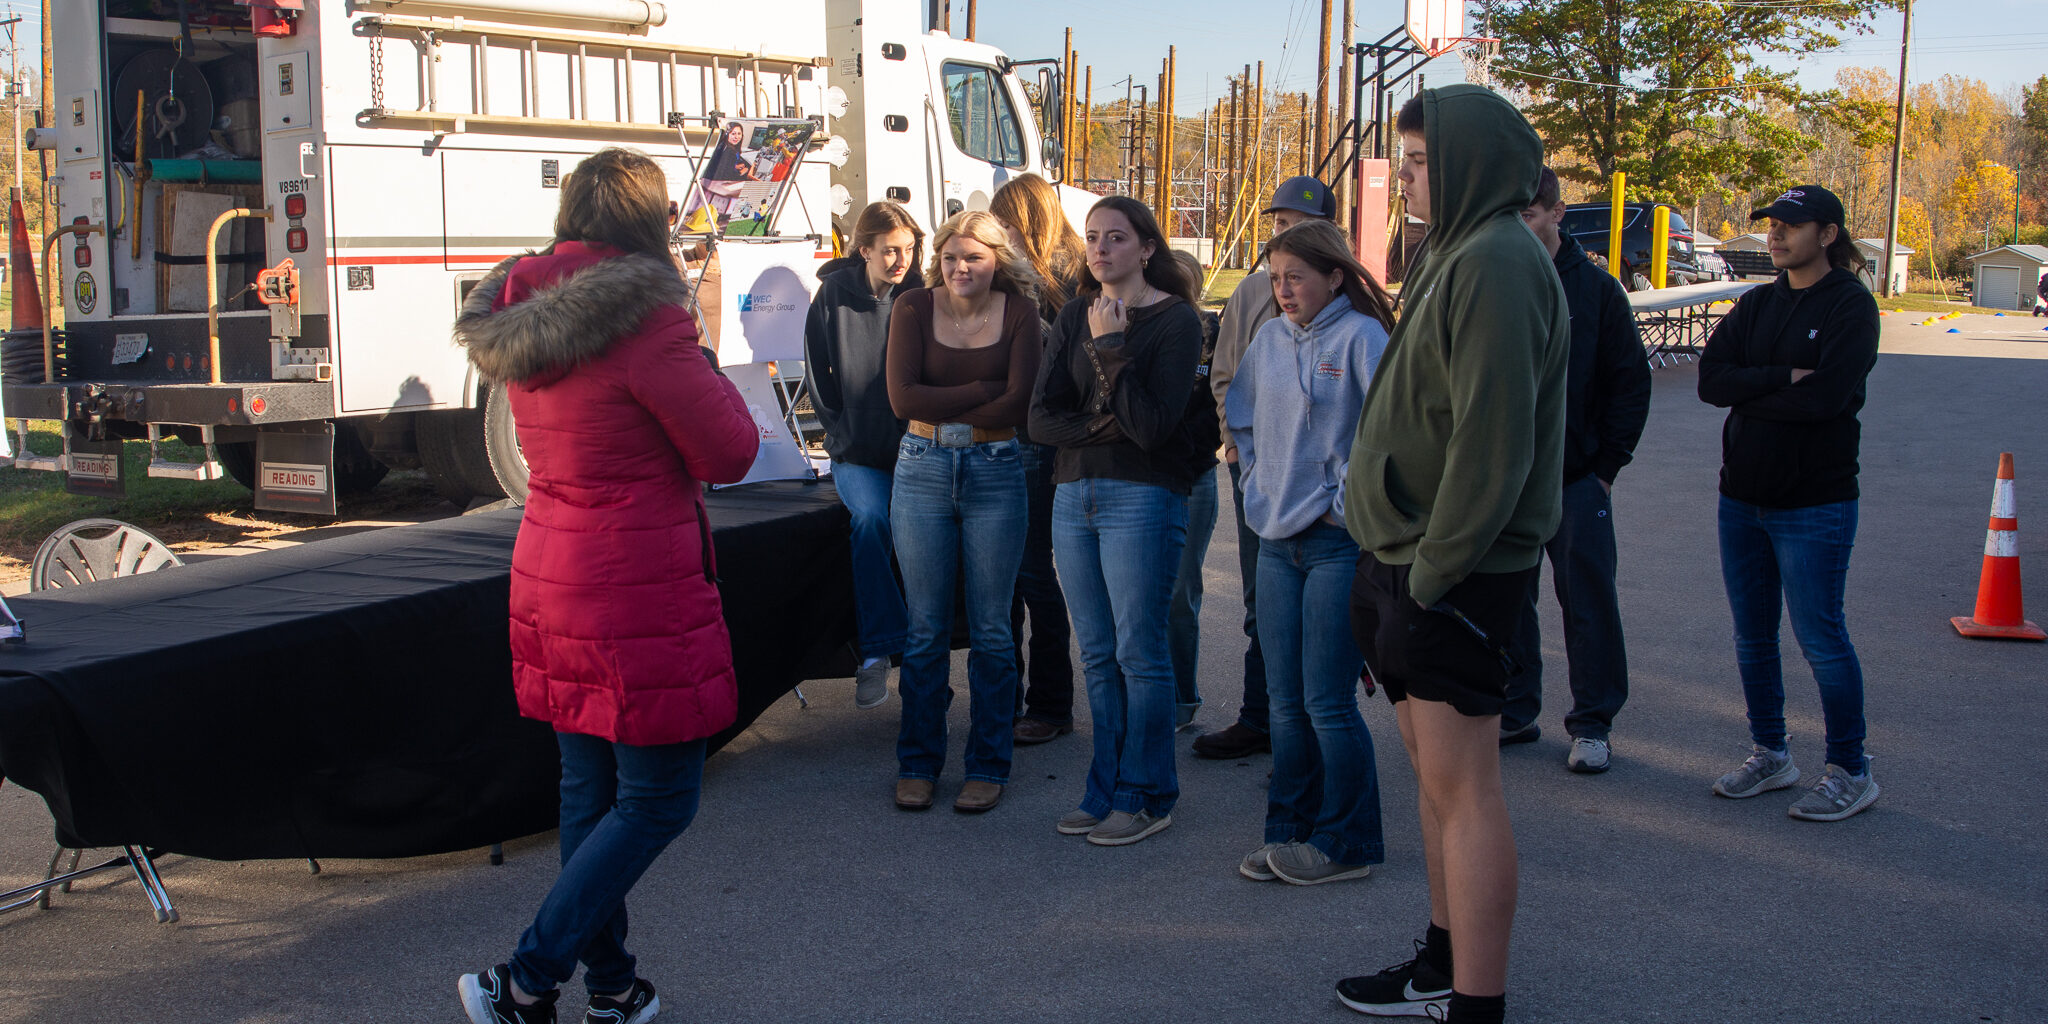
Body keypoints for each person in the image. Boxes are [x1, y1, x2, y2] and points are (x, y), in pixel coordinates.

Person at [452, 148, 761, 1024]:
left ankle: (615, 986)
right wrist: (697, 341)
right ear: (649, 223)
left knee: (590, 795)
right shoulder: (648, 319)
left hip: (553, 568)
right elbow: (731, 452)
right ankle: (524, 979)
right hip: (633, 582)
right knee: (660, 798)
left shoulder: (522, 305)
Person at [1335, 87, 1567, 1024]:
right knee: (1435, 784)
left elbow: (1493, 448)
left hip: (1454, 571)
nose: (1408, 176)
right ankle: (1441, 962)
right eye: (1408, 159)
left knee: (1466, 791)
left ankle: (1477, 1003)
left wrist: (1431, 577)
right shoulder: (1454, 249)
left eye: (1425, 160)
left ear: (1472, 160)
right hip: (1403, 559)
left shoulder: (1500, 260)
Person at [1699, 184, 1881, 822]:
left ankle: (1851, 769)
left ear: (1828, 235)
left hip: (1814, 503)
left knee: (1821, 638)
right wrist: (1779, 379)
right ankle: (1771, 754)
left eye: (1791, 226)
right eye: (1772, 224)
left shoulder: (1849, 307)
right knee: (1753, 637)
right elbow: (1709, 381)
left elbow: (1825, 400)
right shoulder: (1755, 305)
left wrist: (1747, 391)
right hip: (1741, 498)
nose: (1775, 235)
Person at [1029, 195, 1206, 846]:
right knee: (1098, 655)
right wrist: (1105, 423)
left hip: (1143, 495)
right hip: (1074, 495)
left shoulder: (1176, 321)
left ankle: (1147, 793)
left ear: (1147, 248)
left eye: (1117, 238)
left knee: (1140, 652)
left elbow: (1155, 429)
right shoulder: (1074, 312)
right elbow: (1039, 420)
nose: (1101, 249)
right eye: (1094, 238)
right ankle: (1104, 790)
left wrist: (1110, 350)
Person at [1225, 219, 1395, 886]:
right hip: (1274, 543)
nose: (1284, 289)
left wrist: (1343, 500)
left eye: (1296, 276)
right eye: (1275, 279)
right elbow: (1239, 417)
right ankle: (1287, 832)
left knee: (1328, 701)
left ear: (1334, 275)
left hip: (1336, 544)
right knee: (1285, 701)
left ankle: (1346, 843)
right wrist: (1254, 481)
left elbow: (1388, 434)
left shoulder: (1363, 337)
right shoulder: (1268, 338)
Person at [884, 210, 1042, 814]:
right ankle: (919, 762)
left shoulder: (1021, 313)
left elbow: (1021, 403)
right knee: (924, 630)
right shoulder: (913, 309)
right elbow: (903, 399)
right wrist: (984, 390)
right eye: (950, 257)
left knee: (994, 629)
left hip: (997, 468)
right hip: (921, 463)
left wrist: (962, 398)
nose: (959, 268)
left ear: (997, 260)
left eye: (973, 257)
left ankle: (988, 765)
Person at [1500, 167, 1653, 773]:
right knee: (1509, 601)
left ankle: (1593, 723)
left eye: (1530, 215)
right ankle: (1515, 710)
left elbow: (1630, 385)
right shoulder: (1498, 285)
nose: (1520, 227)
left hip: (1575, 478)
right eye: (1510, 216)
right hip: (1507, 480)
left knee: (1587, 602)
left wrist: (1605, 469)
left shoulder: (1596, 291)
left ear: (1557, 214)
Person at [1193, 175, 1337, 761]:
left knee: (1321, 610)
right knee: (1264, 602)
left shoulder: (1352, 315)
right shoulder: (1254, 292)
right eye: (1278, 223)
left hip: (1325, 491)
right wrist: (1236, 452)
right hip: (1258, 475)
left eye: (1298, 224)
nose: (1284, 233)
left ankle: (1313, 725)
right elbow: (1226, 374)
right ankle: (1262, 716)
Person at [803, 201, 923, 710]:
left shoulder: (921, 296)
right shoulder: (833, 294)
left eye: (910, 248)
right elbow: (817, 370)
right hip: (857, 450)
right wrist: (841, 431)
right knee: (871, 522)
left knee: (922, 540)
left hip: (916, 448)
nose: (902, 259)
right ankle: (877, 654)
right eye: (891, 250)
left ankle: (921, 666)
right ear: (864, 249)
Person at [988, 174, 1082, 746]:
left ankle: (1047, 704)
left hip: (1039, 440)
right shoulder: (1040, 272)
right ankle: (1020, 700)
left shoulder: (1065, 277)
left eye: (1006, 223)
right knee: (1012, 577)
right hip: (1011, 435)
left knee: (1028, 573)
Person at [1168, 249, 1223, 732]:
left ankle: (1182, 699)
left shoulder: (1213, 333)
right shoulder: (1150, 326)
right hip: (1144, 478)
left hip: (1194, 478)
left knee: (1180, 592)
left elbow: (1218, 412)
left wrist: (1175, 442)